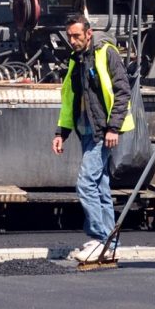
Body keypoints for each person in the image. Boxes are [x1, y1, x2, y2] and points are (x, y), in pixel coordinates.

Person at [52, 15, 134, 262]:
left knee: (86, 183)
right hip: (85, 131)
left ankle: (99, 239)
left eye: (77, 35)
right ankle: (109, 242)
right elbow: (70, 99)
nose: (73, 40)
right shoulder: (75, 60)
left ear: (89, 33)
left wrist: (113, 128)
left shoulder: (106, 53)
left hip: (101, 131)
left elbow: (122, 92)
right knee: (100, 187)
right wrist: (61, 132)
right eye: (70, 36)